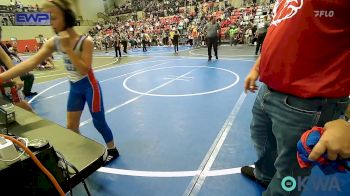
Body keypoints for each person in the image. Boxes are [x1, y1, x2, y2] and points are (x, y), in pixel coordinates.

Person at [242, 1, 349, 195]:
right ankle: (265, 177)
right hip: (268, 89)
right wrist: (258, 67)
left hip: (308, 103)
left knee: (290, 172)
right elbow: (282, 27)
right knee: (263, 140)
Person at [0, 0, 119, 164]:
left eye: (54, 18)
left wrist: (68, 49)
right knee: (71, 127)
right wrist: (2, 77)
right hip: (75, 88)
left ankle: (113, 149)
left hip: (90, 87)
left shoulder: (86, 41)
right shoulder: (54, 41)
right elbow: (31, 62)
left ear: (66, 17)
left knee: (99, 122)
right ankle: (83, 154)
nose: (51, 23)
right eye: (49, 18)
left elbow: (84, 69)